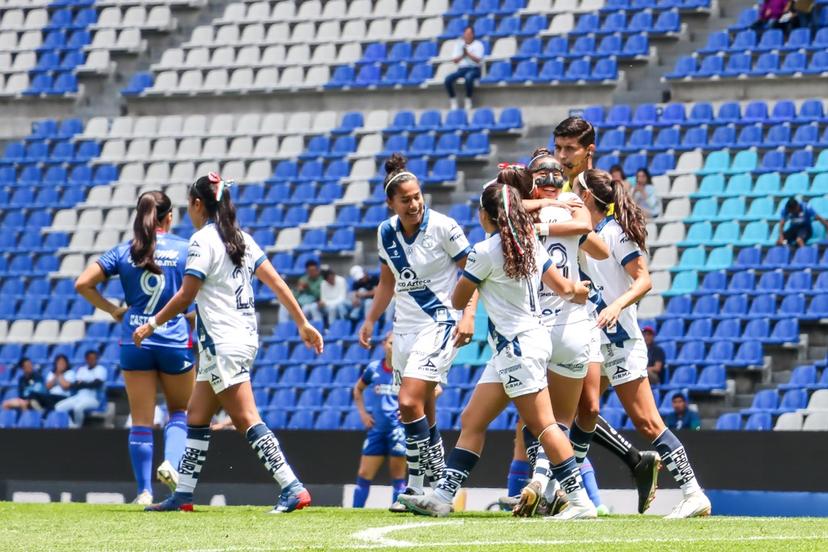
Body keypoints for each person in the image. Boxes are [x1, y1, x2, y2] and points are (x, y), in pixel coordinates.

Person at [399, 182, 595, 519]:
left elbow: (459, 300)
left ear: (485, 215)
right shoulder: (529, 242)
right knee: (472, 418)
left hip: (517, 347)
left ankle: (579, 502)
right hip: (519, 345)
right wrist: (578, 290)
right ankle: (443, 497)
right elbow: (563, 287)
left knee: (545, 426)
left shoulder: (485, 251)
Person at [134, 172, 324, 513]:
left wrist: (152, 323)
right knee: (196, 414)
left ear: (196, 204)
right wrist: (303, 322)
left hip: (222, 342)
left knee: (245, 417)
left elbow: (185, 295)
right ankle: (183, 495)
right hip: (237, 339)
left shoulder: (201, 241)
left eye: (189, 206)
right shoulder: (242, 239)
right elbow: (278, 283)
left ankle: (292, 487)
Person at [572, 169, 711, 518]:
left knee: (648, 422)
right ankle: (567, 492)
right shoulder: (585, 233)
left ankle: (694, 493)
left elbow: (643, 280)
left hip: (619, 338)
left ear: (587, 196)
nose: (571, 194)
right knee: (585, 410)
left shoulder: (616, 232)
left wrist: (617, 305)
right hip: (593, 337)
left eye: (576, 190)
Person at [357, 154, 476, 512]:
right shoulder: (386, 232)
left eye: (417, 196)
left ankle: (430, 481)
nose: (414, 204)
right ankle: (419, 489)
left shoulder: (444, 227)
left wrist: (469, 314)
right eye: (405, 199)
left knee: (407, 402)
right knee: (424, 408)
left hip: (439, 322)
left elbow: (474, 271)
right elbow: (387, 281)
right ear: (391, 203)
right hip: (404, 328)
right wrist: (370, 319)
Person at [502, 159, 611, 517]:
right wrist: (560, 217)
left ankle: (540, 484)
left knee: (542, 418)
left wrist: (542, 222)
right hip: (563, 321)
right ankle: (551, 485)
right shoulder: (566, 206)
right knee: (555, 419)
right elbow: (595, 243)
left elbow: (598, 247)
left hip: (538, 326)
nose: (550, 182)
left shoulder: (522, 215)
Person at [75, 190, 195, 505]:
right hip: (173, 339)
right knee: (180, 412)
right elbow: (196, 293)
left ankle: (143, 491)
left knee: (140, 419)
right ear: (169, 217)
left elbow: (82, 283)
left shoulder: (125, 251)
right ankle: (170, 463)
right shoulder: (185, 249)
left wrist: (113, 309)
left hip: (135, 340)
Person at [351, 333, 407, 509]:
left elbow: (435, 390)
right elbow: (357, 390)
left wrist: (410, 410)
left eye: (397, 343)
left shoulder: (407, 369)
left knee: (398, 477)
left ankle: (397, 513)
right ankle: (354, 513)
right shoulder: (373, 368)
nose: (393, 346)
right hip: (376, 430)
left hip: (398, 430)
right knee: (363, 474)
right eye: (391, 343)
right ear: (384, 344)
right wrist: (363, 414)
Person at [54, 350, 107, 428]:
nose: (92, 360)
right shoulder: (82, 370)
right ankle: (71, 425)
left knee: (78, 407)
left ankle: (78, 427)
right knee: (58, 407)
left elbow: (96, 384)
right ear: (86, 359)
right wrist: (87, 383)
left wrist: (83, 383)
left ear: (97, 359)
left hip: (93, 398)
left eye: (94, 358)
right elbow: (76, 385)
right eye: (90, 358)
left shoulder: (100, 369)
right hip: (79, 396)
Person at [444, 26, 484, 111]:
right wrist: (463, 55)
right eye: (466, 34)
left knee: (468, 77)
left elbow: (478, 60)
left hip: (474, 69)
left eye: (469, 34)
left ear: (473, 35)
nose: (467, 36)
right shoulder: (459, 45)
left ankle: (468, 99)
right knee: (448, 79)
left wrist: (468, 54)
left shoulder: (478, 45)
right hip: (461, 69)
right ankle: (453, 100)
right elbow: (455, 61)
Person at [552, 117, 595, 192]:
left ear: (589, 150)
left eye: (569, 148)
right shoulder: (560, 193)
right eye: (558, 148)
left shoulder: (605, 193)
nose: (562, 156)